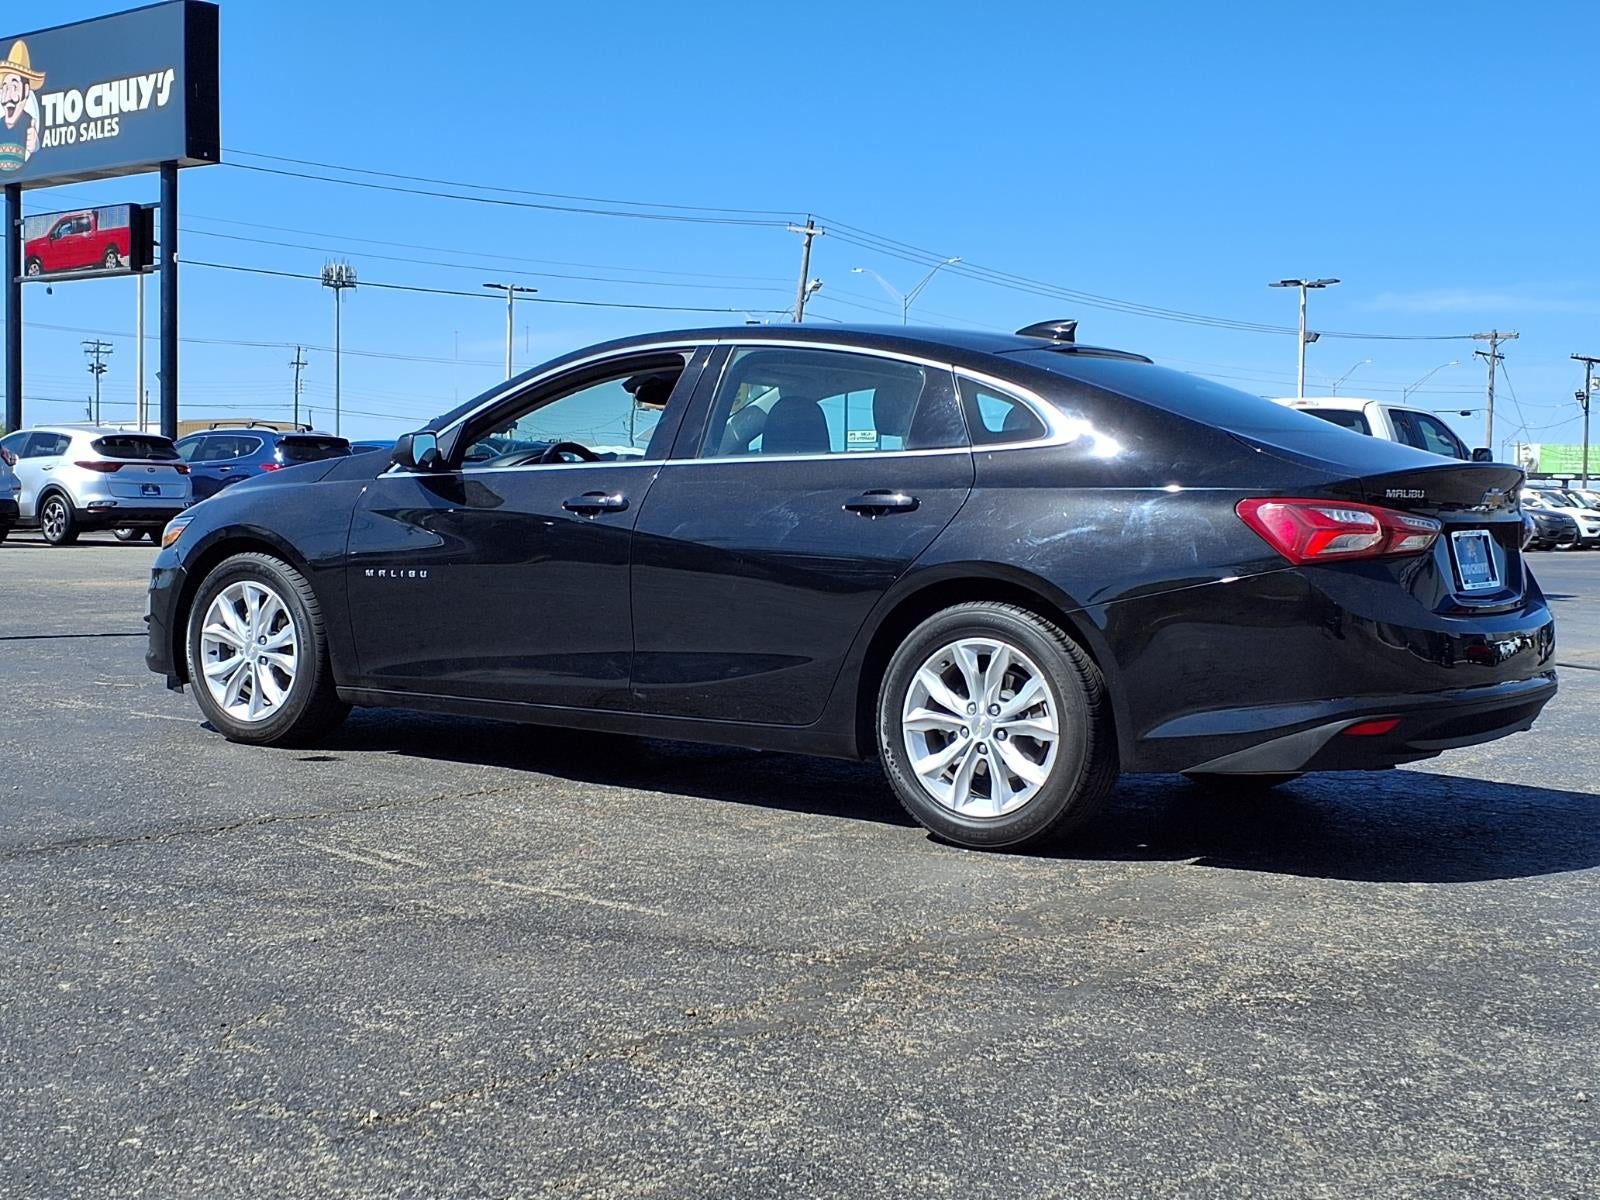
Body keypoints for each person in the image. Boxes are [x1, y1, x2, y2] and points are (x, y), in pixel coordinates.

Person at [0, 41, 44, 174]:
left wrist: (35, 148)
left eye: (14, 87)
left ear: (25, 90)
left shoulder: (29, 125)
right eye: (5, 88)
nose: (8, 96)